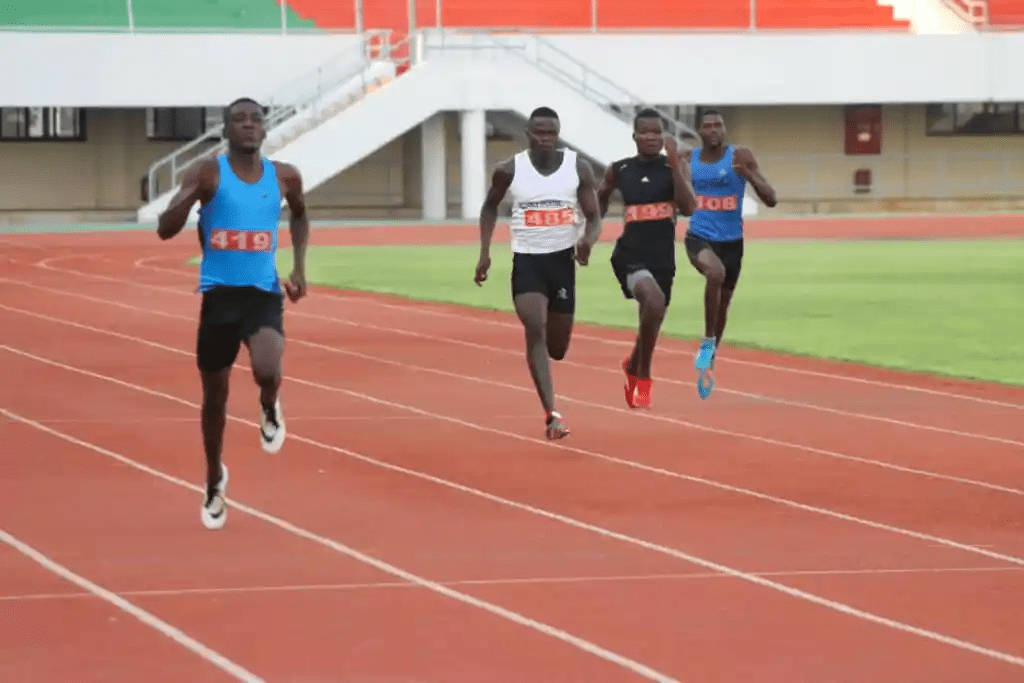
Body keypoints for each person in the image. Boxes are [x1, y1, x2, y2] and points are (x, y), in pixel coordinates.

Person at [155, 96, 310, 530]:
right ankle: (213, 478)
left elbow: (299, 215)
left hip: (262, 293)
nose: (247, 125)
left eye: (254, 119)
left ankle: (269, 404)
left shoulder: (284, 176)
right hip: (219, 298)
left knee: (267, 365)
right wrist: (186, 202)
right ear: (225, 130)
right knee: (215, 398)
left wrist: (298, 267)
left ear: (264, 129)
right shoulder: (208, 173)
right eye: (238, 119)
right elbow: (165, 229)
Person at [474, 106, 602, 440]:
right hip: (528, 261)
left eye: (551, 132)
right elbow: (489, 206)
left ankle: (545, 366)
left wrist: (587, 241)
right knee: (535, 323)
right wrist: (486, 251)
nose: (545, 138)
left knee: (557, 347)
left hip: (562, 263)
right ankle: (552, 414)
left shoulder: (578, 168)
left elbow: (594, 214)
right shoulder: (509, 170)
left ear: (557, 134)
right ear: (528, 135)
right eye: (539, 132)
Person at [598, 108, 697, 410]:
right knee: (652, 303)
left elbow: (689, 207)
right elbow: (599, 197)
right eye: (645, 132)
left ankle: (633, 364)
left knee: (653, 316)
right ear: (635, 136)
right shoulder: (620, 169)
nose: (651, 137)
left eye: (657, 132)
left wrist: (676, 161)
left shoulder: (674, 168)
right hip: (630, 253)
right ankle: (644, 375)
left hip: (663, 257)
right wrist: (588, 232)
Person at [685, 109, 776, 399]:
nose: (714, 130)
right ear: (699, 131)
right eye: (708, 126)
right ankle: (708, 341)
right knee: (715, 273)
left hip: (732, 242)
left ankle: (710, 356)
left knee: (723, 304)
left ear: (724, 129)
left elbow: (771, 198)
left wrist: (747, 173)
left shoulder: (741, 156)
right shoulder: (690, 160)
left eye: (719, 125)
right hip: (699, 237)